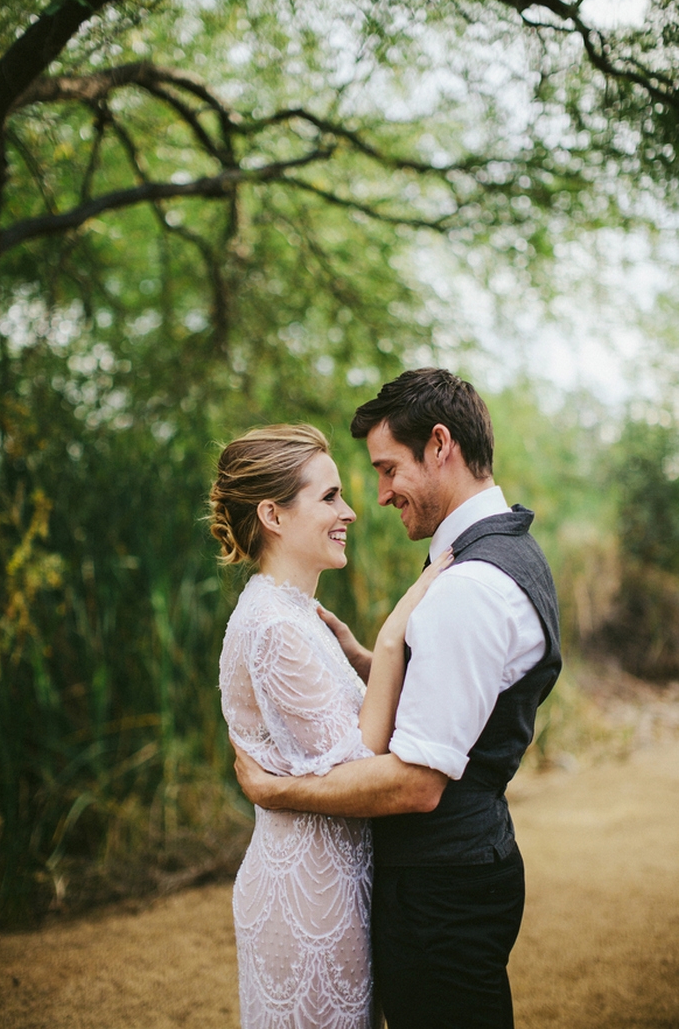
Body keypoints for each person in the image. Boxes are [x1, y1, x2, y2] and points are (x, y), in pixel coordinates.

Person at [233, 369, 562, 1029]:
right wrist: (370, 660)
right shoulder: (503, 553)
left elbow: (415, 783)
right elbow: (462, 695)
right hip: (461, 868)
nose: (378, 495)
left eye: (387, 469)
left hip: (441, 884)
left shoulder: (471, 586)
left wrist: (278, 791)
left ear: (440, 445)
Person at [209, 423, 452, 1029]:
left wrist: (360, 656)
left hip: (337, 885)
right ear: (273, 514)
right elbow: (361, 765)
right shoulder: (274, 624)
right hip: (307, 902)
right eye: (328, 497)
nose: (349, 511)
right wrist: (395, 634)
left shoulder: (297, 616)